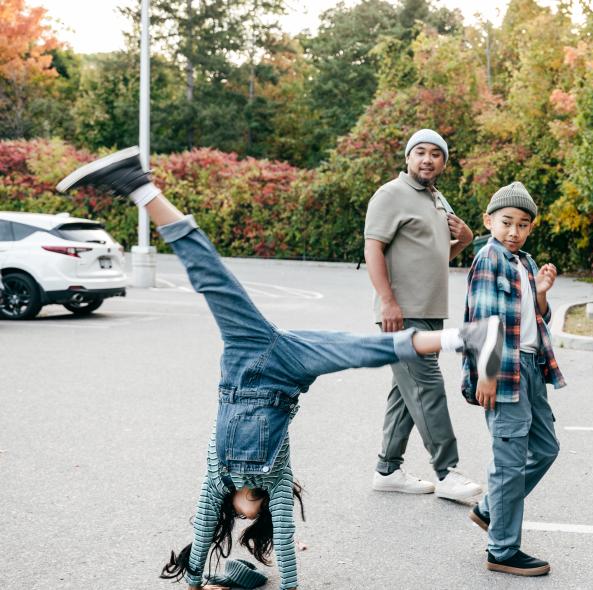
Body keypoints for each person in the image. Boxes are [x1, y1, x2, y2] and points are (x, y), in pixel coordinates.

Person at [54, 147, 503, 590]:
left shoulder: (217, 477)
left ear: (228, 508)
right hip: (287, 372)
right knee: (362, 349)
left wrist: (194, 581)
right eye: (252, 519)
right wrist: (287, 586)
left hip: (244, 358)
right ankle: (469, 337)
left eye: (236, 517)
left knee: (210, 277)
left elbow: (204, 525)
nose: (243, 517)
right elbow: (284, 543)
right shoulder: (277, 479)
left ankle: (138, 185)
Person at [363, 129, 484, 500]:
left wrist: (465, 239)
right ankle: (446, 473)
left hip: (430, 312)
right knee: (427, 387)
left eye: (436, 153)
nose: (427, 159)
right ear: (408, 158)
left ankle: (387, 469)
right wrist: (387, 301)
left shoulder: (436, 199)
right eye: (420, 152)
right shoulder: (390, 194)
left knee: (406, 392)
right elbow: (373, 248)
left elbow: (434, 257)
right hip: (403, 313)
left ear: (444, 162)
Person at [462, 182, 566, 577]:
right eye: (506, 222)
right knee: (509, 462)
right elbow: (483, 320)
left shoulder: (525, 262)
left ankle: (491, 509)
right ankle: (502, 550)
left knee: (546, 448)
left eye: (523, 224)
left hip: (531, 367)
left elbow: (537, 319)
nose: (514, 231)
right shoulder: (489, 258)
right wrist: (486, 373)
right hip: (503, 369)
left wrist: (541, 293)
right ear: (488, 221)